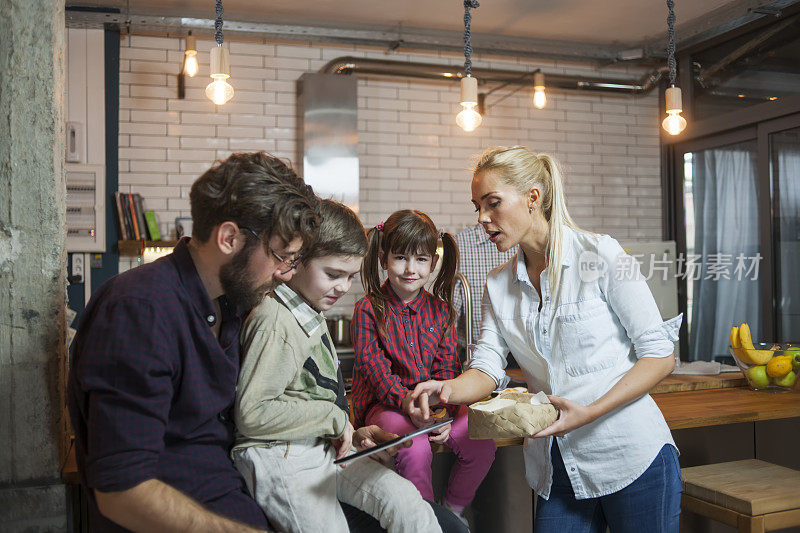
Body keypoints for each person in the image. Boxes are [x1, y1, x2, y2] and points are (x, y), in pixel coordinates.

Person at [407, 146, 684, 533]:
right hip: (557, 467)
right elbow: (488, 366)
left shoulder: (599, 254)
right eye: (477, 207)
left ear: (533, 197)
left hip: (631, 457)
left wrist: (590, 411)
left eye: (493, 203)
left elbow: (659, 355)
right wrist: (447, 390)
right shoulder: (497, 285)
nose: (483, 219)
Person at [67, 152, 320, 532]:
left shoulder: (228, 303)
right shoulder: (141, 311)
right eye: (280, 256)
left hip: (232, 494)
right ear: (229, 238)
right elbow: (120, 490)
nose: (284, 274)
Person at [232, 199, 442, 533]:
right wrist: (333, 419)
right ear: (295, 262)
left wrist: (350, 433)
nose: (343, 287)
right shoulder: (275, 320)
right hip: (280, 458)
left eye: (349, 276)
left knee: (407, 503)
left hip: (319, 450)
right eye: (333, 274)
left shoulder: (309, 312)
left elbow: (308, 398)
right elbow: (253, 412)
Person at [350, 209, 497, 525]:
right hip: (386, 406)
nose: (409, 269)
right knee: (415, 450)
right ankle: (423, 522)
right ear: (383, 257)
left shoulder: (441, 311)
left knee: (482, 443)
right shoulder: (367, 309)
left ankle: (451, 512)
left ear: (432, 263)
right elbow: (376, 372)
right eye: (400, 257)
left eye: (420, 260)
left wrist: (442, 414)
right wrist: (407, 404)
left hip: (435, 407)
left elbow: (447, 369)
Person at [453, 223, 517, 362]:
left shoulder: (526, 241)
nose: (482, 216)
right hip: (477, 355)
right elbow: (452, 312)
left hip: (524, 357)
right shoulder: (460, 243)